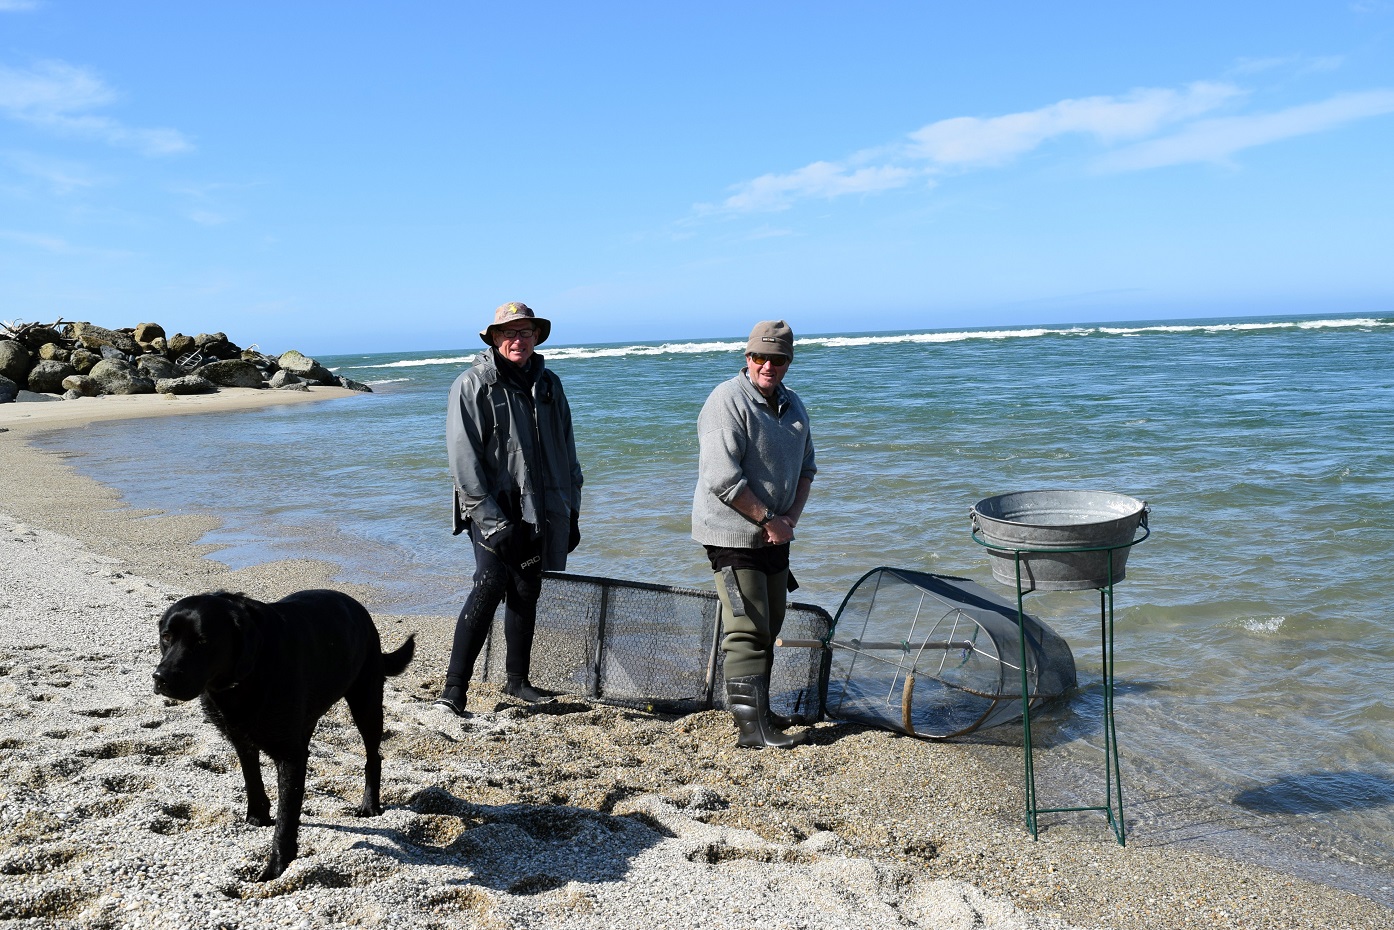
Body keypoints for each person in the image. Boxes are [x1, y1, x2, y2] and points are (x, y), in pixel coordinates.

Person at [434, 302, 583, 716]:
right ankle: (454, 689)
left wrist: (571, 513)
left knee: (526, 588)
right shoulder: (473, 384)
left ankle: (518, 682)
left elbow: (568, 453)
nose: (519, 340)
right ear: (495, 339)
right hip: (494, 509)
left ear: (536, 337)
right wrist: (492, 521)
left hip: (543, 507)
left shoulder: (549, 384)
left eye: (527, 332)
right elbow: (463, 460)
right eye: (510, 333)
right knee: (489, 584)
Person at [692, 320, 815, 749]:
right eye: (760, 357)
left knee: (772, 621)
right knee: (747, 625)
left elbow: (807, 470)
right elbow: (721, 479)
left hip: (776, 534)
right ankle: (751, 731)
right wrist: (767, 518)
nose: (768, 365)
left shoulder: (794, 406)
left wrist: (789, 522)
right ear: (747, 359)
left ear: (788, 363)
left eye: (778, 359)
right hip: (730, 534)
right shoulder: (727, 401)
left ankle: (760, 711)